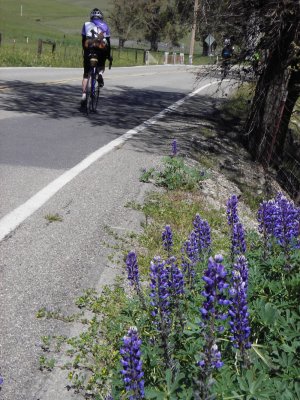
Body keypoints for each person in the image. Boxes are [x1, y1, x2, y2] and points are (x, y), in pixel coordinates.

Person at [81, 8, 112, 106]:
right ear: (101, 17)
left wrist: (85, 51)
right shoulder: (105, 26)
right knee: (101, 65)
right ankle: (100, 74)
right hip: (100, 50)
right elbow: (108, 43)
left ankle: (84, 95)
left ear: (91, 17)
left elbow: (83, 40)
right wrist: (108, 55)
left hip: (89, 49)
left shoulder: (86, 24)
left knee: (86, 74)